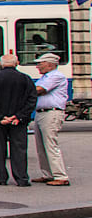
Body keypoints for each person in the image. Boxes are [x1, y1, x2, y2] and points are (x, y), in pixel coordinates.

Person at [0, 53, 36, 187]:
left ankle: (2, 178)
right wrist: (19, 116)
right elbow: (31, 99)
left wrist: (0, 117)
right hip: (18, 121)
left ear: (1, 64)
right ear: (16, 63)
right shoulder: (25, 79)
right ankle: (21, 178)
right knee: (19, 149)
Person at [30, 53, 71, 186]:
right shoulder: (45, 77)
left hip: (51, 113)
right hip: (41, 113)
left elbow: (39, 90)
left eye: (40, 63)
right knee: (41, 146)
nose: (37, 66)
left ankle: (60, 176)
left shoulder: (56, 76)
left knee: (50, 144)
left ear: (49, 64)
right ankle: (47, 174)